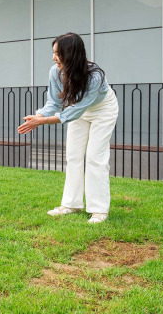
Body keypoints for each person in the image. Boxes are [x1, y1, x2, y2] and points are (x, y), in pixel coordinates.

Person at [18, 33, 118, 224]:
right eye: (53, 52)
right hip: (77, 110)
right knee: (73, 156)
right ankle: (71, 204)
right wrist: (39, 115)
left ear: (70, 54)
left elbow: (75, 111)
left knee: (95, 157)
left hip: (102, 110)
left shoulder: (95, 75)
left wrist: (42, 122)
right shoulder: (55, 72)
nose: (53, 57)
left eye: (57, 53)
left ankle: (98, 210)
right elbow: (54, 102)